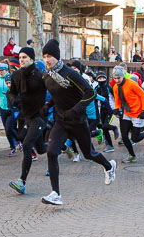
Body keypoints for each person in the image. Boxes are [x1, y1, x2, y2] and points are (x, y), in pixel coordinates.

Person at [40, 39, 117, 206]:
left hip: (77, 121)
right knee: (51, 152)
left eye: (50, 56)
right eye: (44, 56)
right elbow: (56, 94)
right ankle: (56, 194)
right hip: (61, 121)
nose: (47, 59)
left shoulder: (70, 74)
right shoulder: (47, 75)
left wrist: (75, 110)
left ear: (57, 57)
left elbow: (90, 93)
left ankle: (109, 166)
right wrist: (47, 105)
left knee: (89, 154)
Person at [8, 46, 49, 194]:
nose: (21, 60)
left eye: (24, 57)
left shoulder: (41, 76)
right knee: (41, 149)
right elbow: (11, 93)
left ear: (32, 59)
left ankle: (21, 182)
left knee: (26, 145)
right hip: (25, 116)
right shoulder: (16, 75)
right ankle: (61, 146)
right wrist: (14, 100)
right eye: (20, 57)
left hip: (39, 116)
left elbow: (55, 92)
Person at [111, 65, 144, 163]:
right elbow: (117, 100)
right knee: (124, 136)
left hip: (137, 113)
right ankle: (132, 155)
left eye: (118, 78)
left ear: (123, 76)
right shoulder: (115, 87)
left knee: (135, 138)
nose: (117, 80)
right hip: (127, 112)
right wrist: (117, 109)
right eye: (115, 78)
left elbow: (143, 96)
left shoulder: (131, 84)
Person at [0, 63, 18, 156]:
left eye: (2, 70)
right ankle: (13, 145)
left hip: (13, 107)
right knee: (7, 128)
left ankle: (18, 142)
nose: (0, 72)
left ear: (6, 70)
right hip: (2, 106)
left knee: (10, 128)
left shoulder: (11, 78)